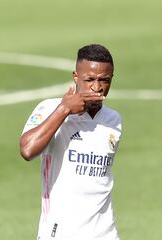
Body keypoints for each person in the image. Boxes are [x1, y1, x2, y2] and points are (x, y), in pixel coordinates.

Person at [20, 44, 121, 239]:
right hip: (60, 232)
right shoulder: (49, 108)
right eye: (89, 79)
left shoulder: (114, 120)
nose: (97, 87)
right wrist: (63, 109)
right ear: (76, 77)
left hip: (106, 232)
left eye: (104, 80)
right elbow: (27, 150)